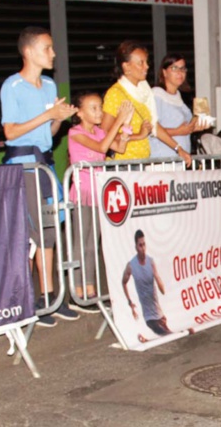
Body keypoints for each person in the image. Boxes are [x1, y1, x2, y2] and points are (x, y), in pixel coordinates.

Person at [0, 26, 80, 327]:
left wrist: (57, 119)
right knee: (33, 233)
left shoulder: (48, 85)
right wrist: (47, 116)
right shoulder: (12, 86)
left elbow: (48, 133)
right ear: (29, 52)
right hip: (24, 163)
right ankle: (30, 298)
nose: (53, 53)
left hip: (44, 162)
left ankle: (50, 297)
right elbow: (10, 132)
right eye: (47, 48)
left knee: (49, 229)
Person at [68, 92, 133, 305]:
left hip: (98, 193)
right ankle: (77, 291)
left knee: (92, 244)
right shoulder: (74, 132)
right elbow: (102, 148)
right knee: (80, 242)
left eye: (100, 107)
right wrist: (117, 123)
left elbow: (119, 148)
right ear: (80, 113)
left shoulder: (98, 132)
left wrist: (125, 126)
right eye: (93, 108)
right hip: (82, 193)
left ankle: (91, 290)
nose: (99, 112)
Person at [101, 41, 191, 164]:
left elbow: (154, 126)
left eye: (146, 62)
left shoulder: (145, 92)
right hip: (123, 165)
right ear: (126, 67)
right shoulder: (116, 93)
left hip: (142, 163)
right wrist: (138, 136)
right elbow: (103, 134)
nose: (147, 66)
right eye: (141, 63)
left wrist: (178, 148)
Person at [151, 54, 209, 158]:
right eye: (174, 68)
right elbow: (152, 129)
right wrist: (178, 131)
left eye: (182, 69)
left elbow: (185, 129)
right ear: (164, 72)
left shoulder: (180, 97)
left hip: (181, 158)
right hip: (162, 158)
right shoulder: (156, 94)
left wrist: (196, 126)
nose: (179, 72)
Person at [122, 230, 171, 341]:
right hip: (149, 318)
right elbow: (124, 282)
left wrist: (161, 285)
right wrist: (129, 301)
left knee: (170, 335)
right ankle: (145, 339)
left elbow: (157, 277)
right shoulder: (131, 265)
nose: (143, 248)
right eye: (140, 245)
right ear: (136, 247)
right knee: (166, 334)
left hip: (159, 314)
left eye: (144, 245)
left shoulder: (151, 261)